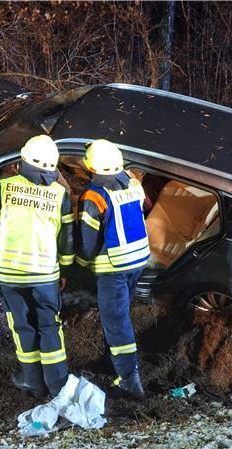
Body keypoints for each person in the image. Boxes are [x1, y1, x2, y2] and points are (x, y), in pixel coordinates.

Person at [0, 135, 75, 398]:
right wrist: (65, 269)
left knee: (22, 326)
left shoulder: (4, 188)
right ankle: (57, 383)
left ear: (23, 160)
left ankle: (33, 382)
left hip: (9, 274)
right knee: (49, 325)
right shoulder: (60, 195)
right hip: (44, 275)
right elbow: (67, 238)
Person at [75, 139, 149, 400]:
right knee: (118, 316)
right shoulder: (133, 183)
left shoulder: (94, 195)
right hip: (137, 262)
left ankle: (130, 379)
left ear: (91, 166)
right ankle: (114, 364)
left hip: (113, 267)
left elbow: (87, 241)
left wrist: (80, 266)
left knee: (116, 321)